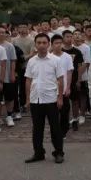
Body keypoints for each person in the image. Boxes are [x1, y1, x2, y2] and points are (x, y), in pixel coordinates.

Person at [24, 33, 67, 164]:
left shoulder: (56, 60)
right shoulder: (31, 61)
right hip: (35, 99)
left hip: (51, 99)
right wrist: (28, 99)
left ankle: (58, 152)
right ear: (35, 45)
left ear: (48, 44)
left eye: (44, 43)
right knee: (37, 128)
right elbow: (28, 80)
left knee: (55, 128)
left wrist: (60, 98)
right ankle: (38, 153)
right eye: (39, 43)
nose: (41, 45)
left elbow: (60, 80)